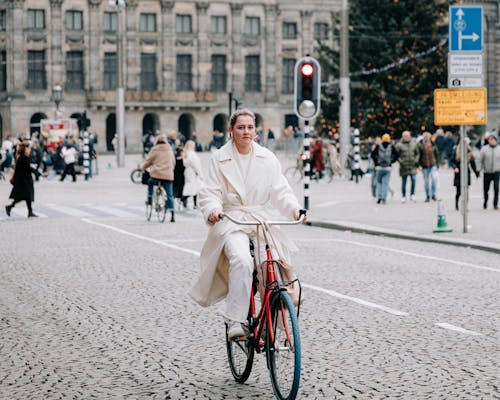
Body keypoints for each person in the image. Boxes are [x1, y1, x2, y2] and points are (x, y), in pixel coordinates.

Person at [189, 109, 303, 340]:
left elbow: (280, 190)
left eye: (250, 127)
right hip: (231, 219)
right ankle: (236, 320)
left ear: (256, 131)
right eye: (241, 127)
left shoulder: (267, 157)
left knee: (272, 262)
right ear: (231, 130)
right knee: (241, 260)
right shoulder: (219, 158)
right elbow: (209, 191)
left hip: (259, 219)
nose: (246, 132)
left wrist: (294, 209)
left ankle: (274, 312)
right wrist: (213, 210)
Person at [140, 134, 176, 221]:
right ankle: (172, 214)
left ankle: (149, 197)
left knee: (150, 182)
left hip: (156, 175)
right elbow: (173, 162)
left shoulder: (155, 150)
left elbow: (148, 161)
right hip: (168, 176)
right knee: (170, 194)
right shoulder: (169, 150)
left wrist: (142, 168)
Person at [5, 139, 37, 218]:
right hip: (24, 180)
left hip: (24, 180)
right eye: (28, 148)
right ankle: (10, 207)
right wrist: (33, 168)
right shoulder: (23, 158)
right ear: (25, 148)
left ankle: (30, 212)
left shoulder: (22, 157)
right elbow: (26, 169)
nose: (30, 149)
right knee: (25, 196)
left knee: (26, 196)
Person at [452, 137, 479, 211]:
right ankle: (457, 204)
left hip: (466, 171)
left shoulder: (469, 151)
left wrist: (476, 173)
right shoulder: (456, 150)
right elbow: (452, 161)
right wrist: (455, 168)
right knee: (459, 191)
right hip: (458, 172)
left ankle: (465, 206)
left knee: (466, 191)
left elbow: (473, 163)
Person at [371, 133, 397, 204]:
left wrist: (376, 163)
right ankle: (384, 198)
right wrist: (391, 162)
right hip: (388, 168)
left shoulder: (378, 146)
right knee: (386, 183)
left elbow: (372, 155)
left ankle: (379, 196)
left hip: (379, 167)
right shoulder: (391, 147)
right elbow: (396, 156)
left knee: (379, 182)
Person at [395, 130, 419, 203]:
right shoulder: (399, 145)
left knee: (413, 180)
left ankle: (412, 194)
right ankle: (403, 196)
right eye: (405, 136)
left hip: (412, 165)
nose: (406, 137)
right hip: (404, 166)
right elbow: (396, 155)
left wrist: (416, 160)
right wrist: (401, 161)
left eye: (408, 136)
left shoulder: (414, 144)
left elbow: (417, 153)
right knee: (404, 182)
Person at [478, 134, 500, 209]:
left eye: (493, 139)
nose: (491, 141)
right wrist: (478, 169)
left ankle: (495, 204)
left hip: (496, 172)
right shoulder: (484, 149)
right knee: (486, 189)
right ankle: (485, 201)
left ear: (495, 140)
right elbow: (480, 160)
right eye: (490, 139)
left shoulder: (499, 149)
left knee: (496, 188)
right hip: (487, 172)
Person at [182, 140, 203, 209]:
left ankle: (192, 203)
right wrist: (200, 173)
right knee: (193, 187)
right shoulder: (192, 154)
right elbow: (195, 164)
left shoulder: (186, 153)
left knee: (192, 187)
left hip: (188, 171)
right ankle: (184, 199)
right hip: (193, 172)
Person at [418, 132, 439, 202]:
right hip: (424, 166)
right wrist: (419, 165)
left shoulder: (432, 144)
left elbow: (436, 155)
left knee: (434, 179)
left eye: (427, 137)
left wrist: (437, 165)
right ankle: (427, 195)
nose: (426, 138)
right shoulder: (420, 145)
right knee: (426, 182)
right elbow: (418, 156)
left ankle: (433, 194)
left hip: (432, 165)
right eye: (425, 137)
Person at [173, 146, 185, 210]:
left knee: (175, 190)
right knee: (181, 190)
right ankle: (181, 203)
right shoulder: (183, 159)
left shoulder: (174, 159)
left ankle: (175, 201)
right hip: (182, 177)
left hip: (175, 176)